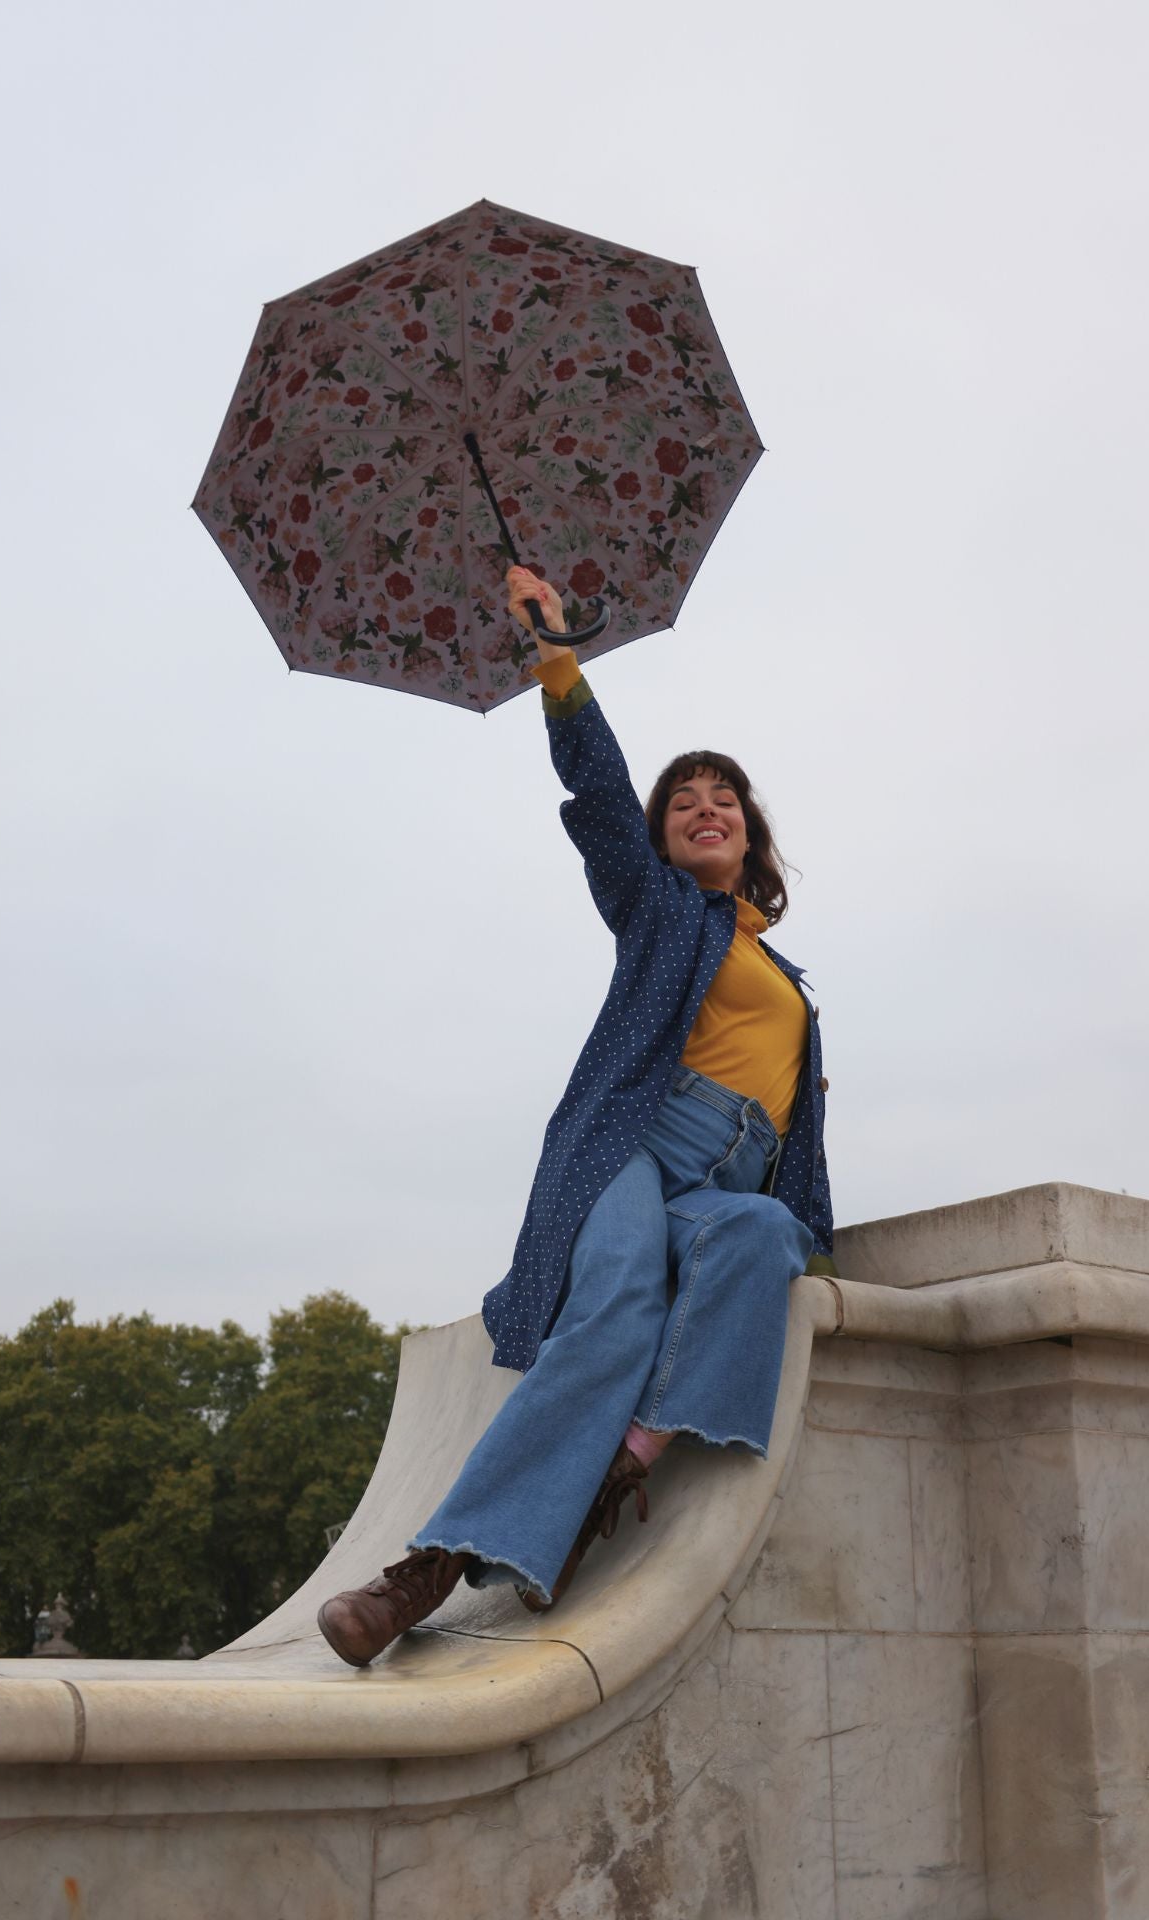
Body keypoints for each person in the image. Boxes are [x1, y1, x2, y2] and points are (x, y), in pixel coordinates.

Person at [317, 565, 836, 1668]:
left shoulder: (781, 971)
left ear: (752, 838)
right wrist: (556, 657)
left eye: (724, 799)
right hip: (637, 1142)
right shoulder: (660, 914)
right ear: (663, 845)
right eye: (683, 801)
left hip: (729, 1182)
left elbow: (792, 1150)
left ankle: (624, 1460)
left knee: (762, 1240)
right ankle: (431, 1568)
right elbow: (602, 801)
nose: (704, 807)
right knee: (614, 1302)